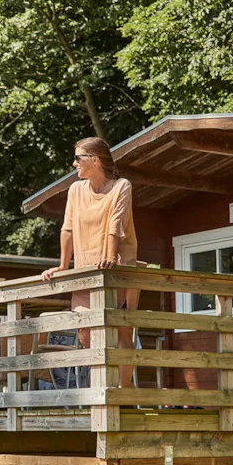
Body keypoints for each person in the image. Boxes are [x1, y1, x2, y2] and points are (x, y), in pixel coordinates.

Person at [41, 136, 137, 388]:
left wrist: (109, 257)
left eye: (78, 158)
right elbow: (68, 229)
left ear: (95, 160)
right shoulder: (76, 190)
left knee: (121, 332)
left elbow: (115, 225)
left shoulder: (121, 186)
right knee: (85, 334)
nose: (74, 164)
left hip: (116, 270)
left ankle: (122, 394)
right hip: (84, 271)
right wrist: (63, 266)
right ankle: (102, 389)